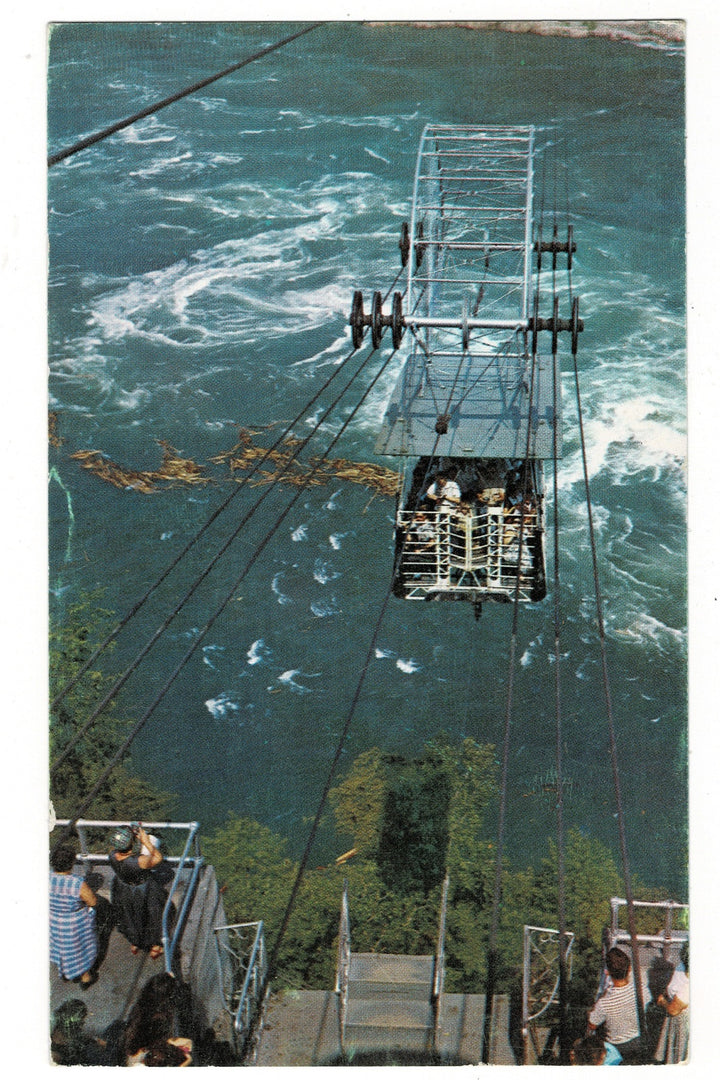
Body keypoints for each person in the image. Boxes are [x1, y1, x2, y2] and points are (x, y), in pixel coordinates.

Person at [109, 823, 167, 959]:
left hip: (123, 888)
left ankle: (135, 943)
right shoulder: (138, 861)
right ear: (131, 844)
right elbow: (158, 858)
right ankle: (154, 946)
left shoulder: (112, 855)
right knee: (151, 916)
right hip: (143, 890)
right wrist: (146, 842)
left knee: (129, 916)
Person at [49, 843, 99, 988]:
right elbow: (92, 901)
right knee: (80, 949)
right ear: (71, 863)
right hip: (74, 924)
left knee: (61, 948)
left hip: (54, 920)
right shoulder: (77, 883)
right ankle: (85, 977)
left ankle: (65, 970)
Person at [586, 946, 647, 1064]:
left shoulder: (604, 1003)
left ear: (607, 972)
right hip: (638, 1040)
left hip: (615, 1047)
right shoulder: (642, 990)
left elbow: (592, 1025)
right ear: (629, 969)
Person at [653, 949, 689, 1064]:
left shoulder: (689, 988)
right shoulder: (681, 966)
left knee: (680, 1057)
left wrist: (662, 1001)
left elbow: (673, 1010)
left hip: (684, 1023)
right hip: (674, 1019)